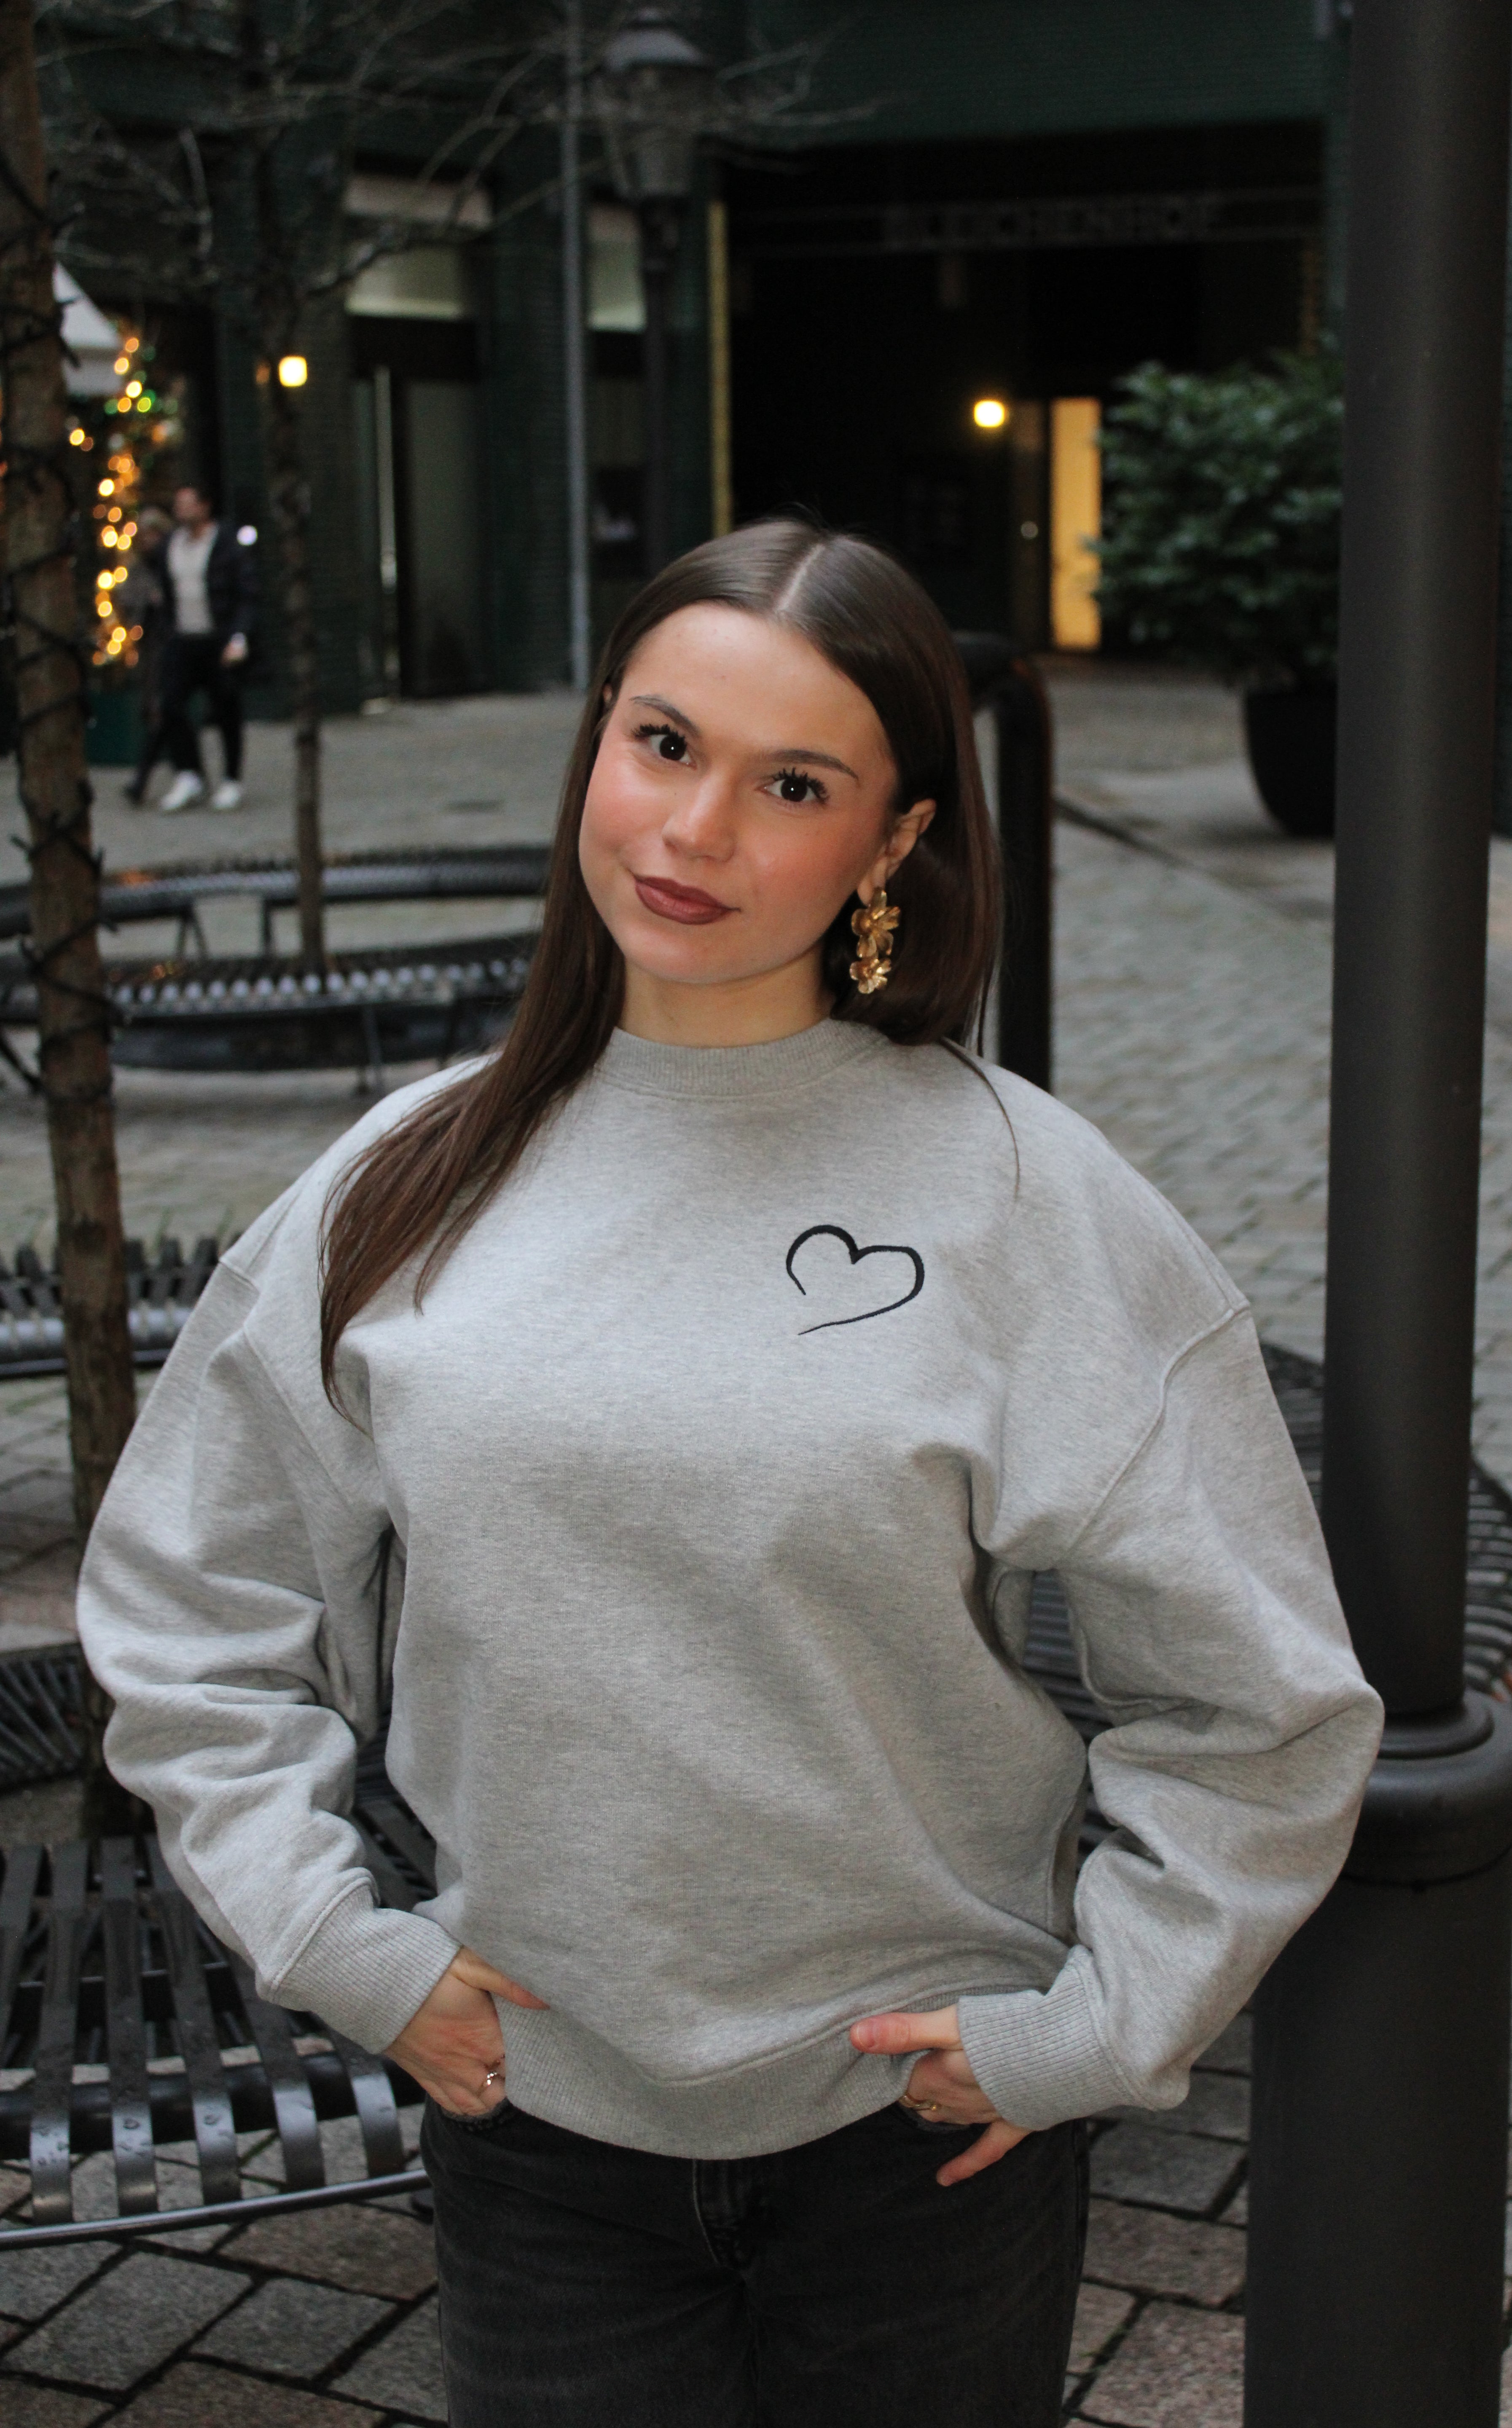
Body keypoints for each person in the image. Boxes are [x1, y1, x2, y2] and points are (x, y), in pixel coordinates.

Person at [80, 522, 1382, 2428]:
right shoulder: (404, 1182)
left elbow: (1261, 1699)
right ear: (599, 739)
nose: (692, 830)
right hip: (533, 2121)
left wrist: (1096, 2024)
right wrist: (340, 1943)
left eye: (792, 784)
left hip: (920, 2138)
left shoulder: (1024, 1197)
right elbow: (194, 1602)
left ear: (893, 838)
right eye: (665, 743)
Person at [154, 481, 256, 813]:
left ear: (204, 506)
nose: (180, 510)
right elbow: (166, 590)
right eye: (178, 504)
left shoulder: (226, 543)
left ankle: (231, 778)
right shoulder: (170, 545)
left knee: (227, 709)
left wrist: (238, 637)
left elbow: (246, 593)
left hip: (218, 640)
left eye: (188, 504)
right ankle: (190, 773)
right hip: (183, 639)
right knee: (171, 704)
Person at [121, 506, 174, 807]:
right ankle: (191, 772)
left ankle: (141, 781)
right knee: (165, 713)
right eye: (144, 536)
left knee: (167, 712)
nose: (148, 541)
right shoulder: (139, 569)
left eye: (153, 534)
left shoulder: (172, 562)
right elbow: (128, 600)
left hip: (176, 646)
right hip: (153, 649)